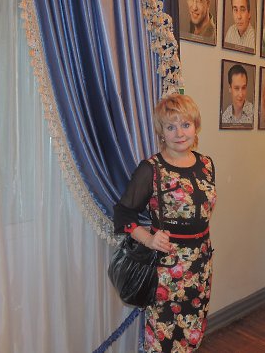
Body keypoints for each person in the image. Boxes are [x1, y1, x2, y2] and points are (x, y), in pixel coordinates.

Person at [113, 94, 216, 352]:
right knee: (163, 339)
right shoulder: (151, 169)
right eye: (171, 127)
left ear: (196, 126)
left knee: (192, 334)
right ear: (161, 132)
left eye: (185, 124)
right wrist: (149, 239)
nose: (179, 133)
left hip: (201, 266)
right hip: (168, 270)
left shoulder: (206, 164)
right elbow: (123, 214)